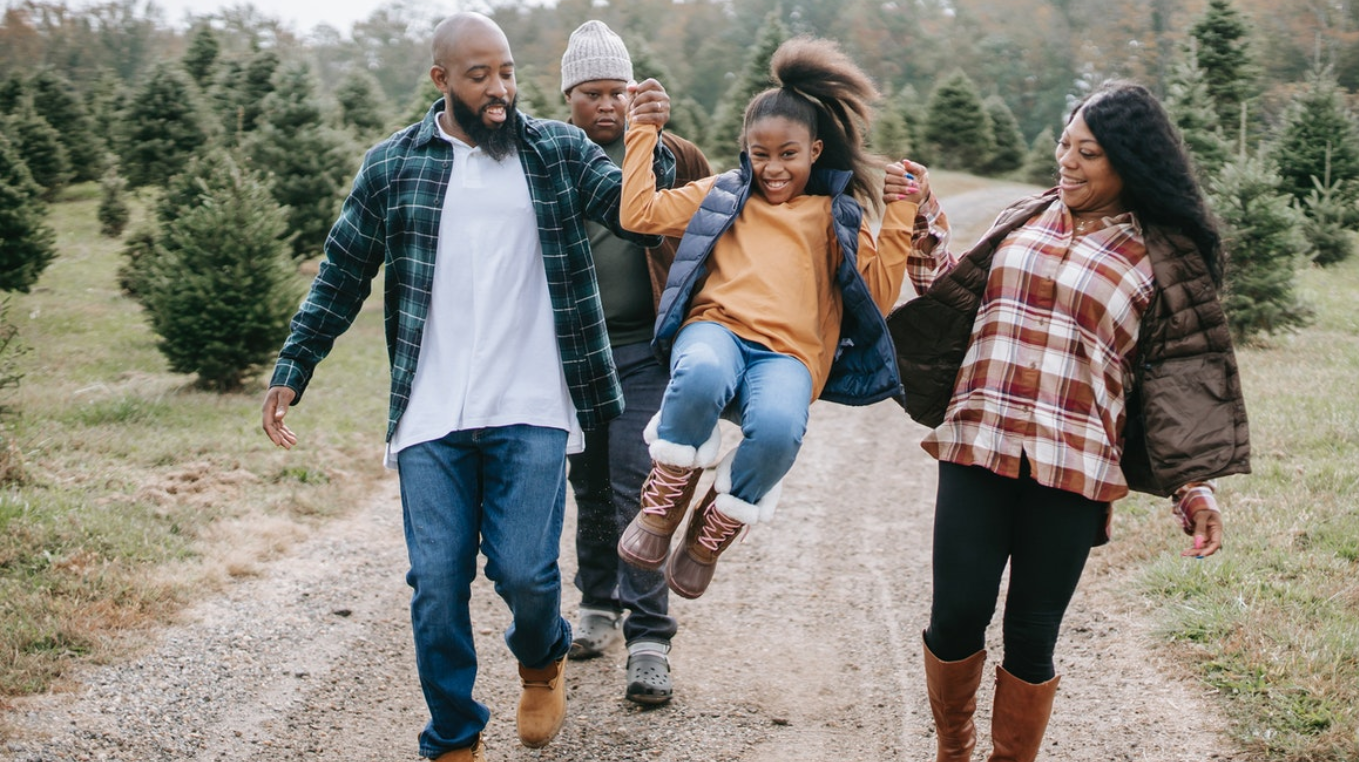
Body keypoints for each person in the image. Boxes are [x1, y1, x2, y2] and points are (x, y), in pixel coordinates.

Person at [259, 12, 676, 761]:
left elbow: (640, 217)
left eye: (507, 73)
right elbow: (342, 273)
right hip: (431, 411)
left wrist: (647, 139)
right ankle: (452, 736)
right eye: (479, 76)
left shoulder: (555, 151)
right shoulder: (393, 166)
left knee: (526, 573)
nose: (499, 89)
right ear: (441, 79)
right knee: (436, 583)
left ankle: (541, 657)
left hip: (532, 403)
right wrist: (294, 368)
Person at [887, 80, 1251, 762]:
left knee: (1032, 636)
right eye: (1064, 145)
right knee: (956, 615)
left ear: (1128, 163)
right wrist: (923, 210)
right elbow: (952, 291)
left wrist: (1194, 488)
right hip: (979, 442)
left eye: (1088, 153)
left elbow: (1174, 387)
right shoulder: (1025, 218)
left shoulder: (1160, 258)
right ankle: (953, 747)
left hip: (1074, 468)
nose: (1067, 161)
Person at [613, 37, 923, 600]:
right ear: (745, 150)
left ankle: (716, 522)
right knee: (701, 373)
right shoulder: (722, 195)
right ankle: (667, 495)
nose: (773, 168)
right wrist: (643, 132)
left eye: (788, 154)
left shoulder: (834, 215)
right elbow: (638, 214)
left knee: (780, 432)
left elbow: (876, 300)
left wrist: (900, 212)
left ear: (815, 151)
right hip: (717, 330)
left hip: (789, 356)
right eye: (760, 154)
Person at [555, 19, 713, 706]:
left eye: (617, 91)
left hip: (647, 353)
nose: (606, 105)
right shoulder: (552, 158)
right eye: (590, 93)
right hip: (573, 356)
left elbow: (717, 233)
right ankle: (597, 602)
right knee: (588, 485)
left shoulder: (672, 154)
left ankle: (649, 639)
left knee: (639, 487)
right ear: (568, 98)